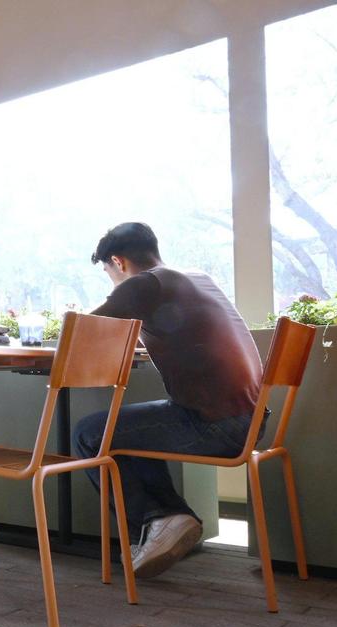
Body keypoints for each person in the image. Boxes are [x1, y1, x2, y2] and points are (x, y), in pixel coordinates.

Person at [74, 222, 263, 578]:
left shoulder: (144, 283)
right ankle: (167, 518)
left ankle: (155, 522)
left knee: (90, 433)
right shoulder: (193, 277)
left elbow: (82, 331)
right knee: (123, 429)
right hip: (250, 417)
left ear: (118, 261)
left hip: (215, 424)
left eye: (108, 273)